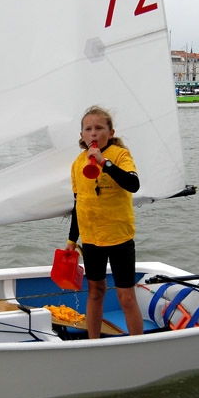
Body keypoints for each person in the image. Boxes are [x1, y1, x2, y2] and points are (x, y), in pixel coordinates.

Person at [65, 106, 143, 339]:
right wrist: (72, 240)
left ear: (110, 132)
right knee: (96, 292)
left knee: (126, 296)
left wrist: (104, 162)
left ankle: (138, 344)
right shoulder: (78, 164)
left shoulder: (120, 155)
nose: (94, 133)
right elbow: (78, 204)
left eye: (99, 128)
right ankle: (93, 343)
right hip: (91, 239)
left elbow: (133, 184)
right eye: (88, 129)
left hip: (119, 236)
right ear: (82, 136)